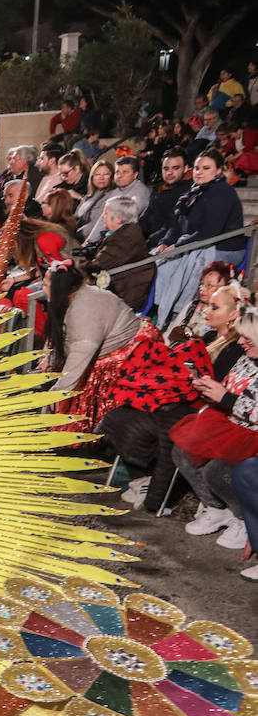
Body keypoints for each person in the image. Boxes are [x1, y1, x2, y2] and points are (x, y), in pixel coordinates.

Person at [101, 282, 247, 514]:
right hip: (177, 399)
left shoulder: (236, 348)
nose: (206, 311)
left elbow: (219, 390)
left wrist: (192, 378)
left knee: (165, 426)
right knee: (115, 417)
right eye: (208, 306)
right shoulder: (208, 337)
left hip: (199, 408)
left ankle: (157, 498)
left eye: (215, 307)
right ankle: (142, 479)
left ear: (233, 315)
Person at [169, 311, 258, 547]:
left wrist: (225, 397)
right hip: (229, 422)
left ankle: (244, 519)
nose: (240, 342)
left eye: (247, 338)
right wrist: (209, 390)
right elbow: (228, 390)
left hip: (251, 434)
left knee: (217, 471)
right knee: (182, 450)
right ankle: (216, 508)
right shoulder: (247, 358)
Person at [44, 264, 145, 432]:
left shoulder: (84, 310)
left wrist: (59, 391)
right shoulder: (75, 297)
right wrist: (49, 359)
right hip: (99, 348)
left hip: (125, 355)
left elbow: (82, 350)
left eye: (46, 285)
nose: (42, 289)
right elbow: (64, 338)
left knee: (74, 402)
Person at [155, 149, 246, 267]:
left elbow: (210, 230)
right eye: (196, 168)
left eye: (206, 168)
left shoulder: (223, 191)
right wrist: (165, 242)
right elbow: (178, 224)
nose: (199, 172)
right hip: (195, 244)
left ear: (218, 170)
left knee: (165, 267)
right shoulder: (193, 192)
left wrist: (178, 247)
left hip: (223, 250)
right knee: (153, 262)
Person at [77, 196, 155, 311]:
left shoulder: (123, 239)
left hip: (124, 297)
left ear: (118, 219)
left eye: (106, 213)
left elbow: (97, 265)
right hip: (122, 289)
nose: (103, 217)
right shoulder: (127, 233)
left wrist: (75, 263)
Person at [84, 156, 150, 242]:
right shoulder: (116, 190)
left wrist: (91, 241)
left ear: (135, 175)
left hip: (125, 240)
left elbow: (122, 220)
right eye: (117, 172)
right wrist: (89, 241)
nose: (120, 176)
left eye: (125, 172)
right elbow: (102, 220)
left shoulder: (140, 193)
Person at [140, 148, 191, 244]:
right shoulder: (158, 189)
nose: (169, 172)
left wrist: (147, 243)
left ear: (185, 168)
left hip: (168, 245)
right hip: (149, 242)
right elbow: (146, 218)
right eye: (166, 169)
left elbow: (174, 225)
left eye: (175, 168)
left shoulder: (189, 191)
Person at [74, 159, 117, 240]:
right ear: (92, 177)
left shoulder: (111, 197)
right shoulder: (88, 197)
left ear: (112, 177)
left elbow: (95, 225)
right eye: (97, 174)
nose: (101, 178)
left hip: (88, 239)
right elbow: (75, 217)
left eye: (106, 174)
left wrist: (74, 235)